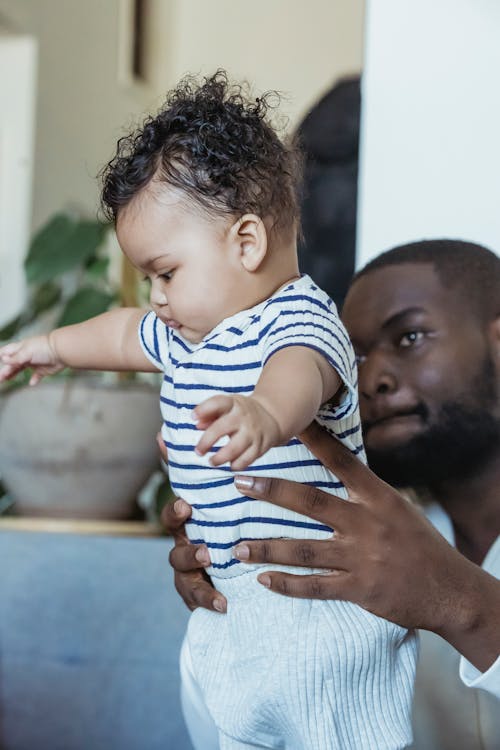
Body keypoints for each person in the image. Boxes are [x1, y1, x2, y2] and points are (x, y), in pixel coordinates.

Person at [0, 72, 417, 749]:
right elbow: (120, 330)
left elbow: (301, 371)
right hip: (235, 603)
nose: (156, 296)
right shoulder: (187, 333)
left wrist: (264, 415)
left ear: (246, 243)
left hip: (323, 606)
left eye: (165, 272)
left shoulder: (298, 316)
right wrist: (49, 345)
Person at [166, 238, 500, 749]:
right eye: (354, 355)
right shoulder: (329, 547)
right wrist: (242, 616)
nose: (370, 379)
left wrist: (459, 600)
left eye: (409, 337)